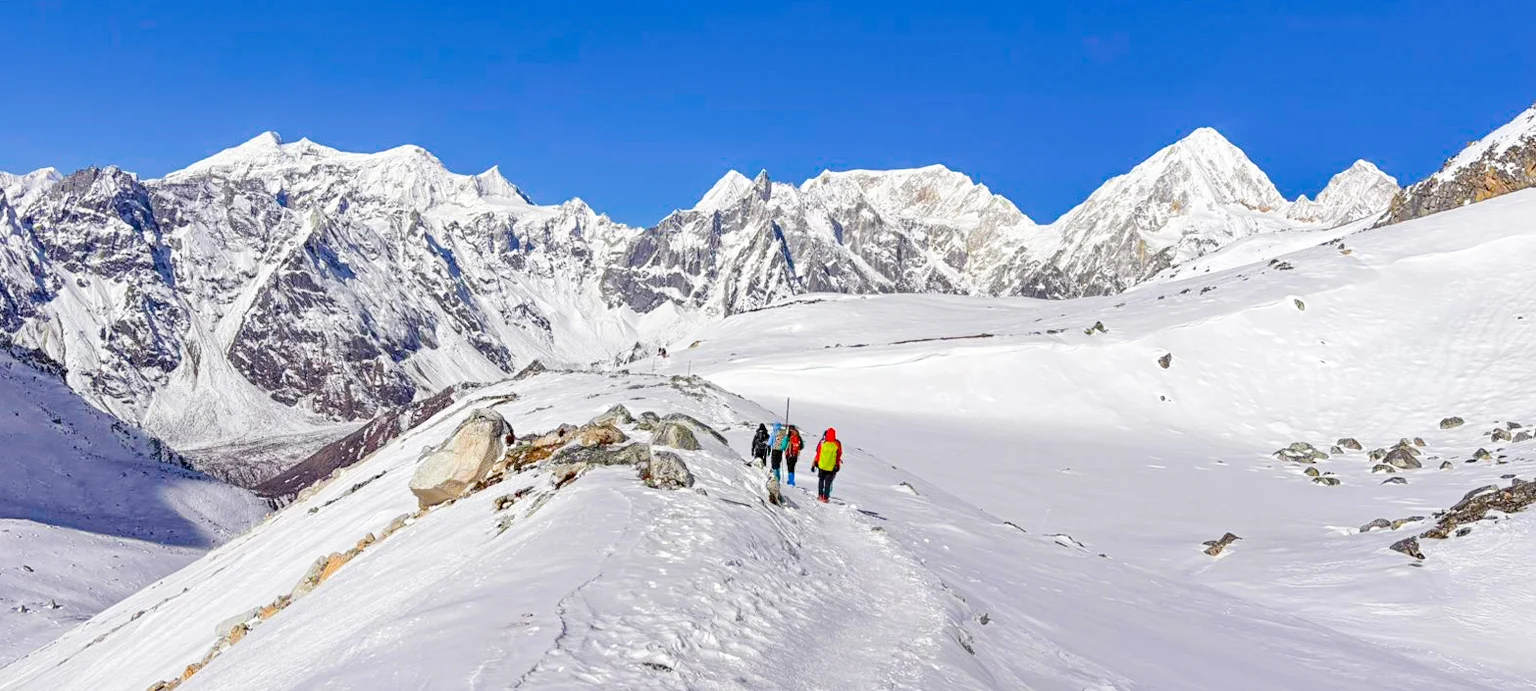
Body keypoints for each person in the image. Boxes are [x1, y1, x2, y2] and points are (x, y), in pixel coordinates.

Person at [814, 428, 842, 503]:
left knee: (821, 480)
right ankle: (825, 498)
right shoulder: (837, 443)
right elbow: (838, 455)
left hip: (822, 465)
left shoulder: (822, 442)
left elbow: (818, 453)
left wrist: (816, 461)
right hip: (831, 467)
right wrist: (837, 465)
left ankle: (820, 495)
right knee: (828, 483)